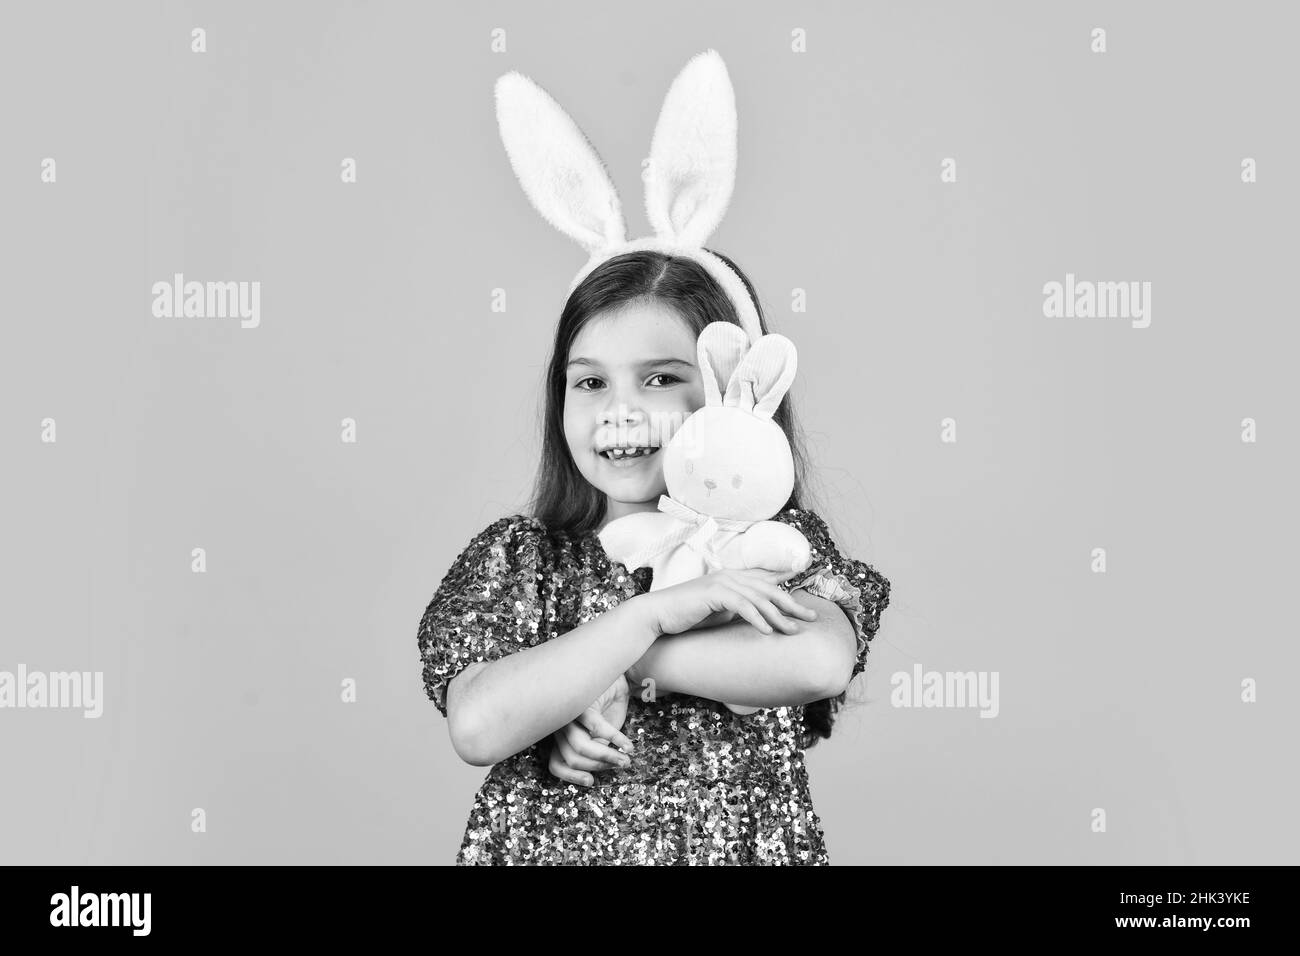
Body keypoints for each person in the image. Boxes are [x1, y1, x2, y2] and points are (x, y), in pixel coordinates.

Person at [417, 249, 891, 864]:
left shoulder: (770, 548)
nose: (620, 411)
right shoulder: (524, 561)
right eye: (590, 382)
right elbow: (479, 724)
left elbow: (817, 660)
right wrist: (648, 615)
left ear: (733, 394)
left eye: (661, 379)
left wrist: (616, 670)